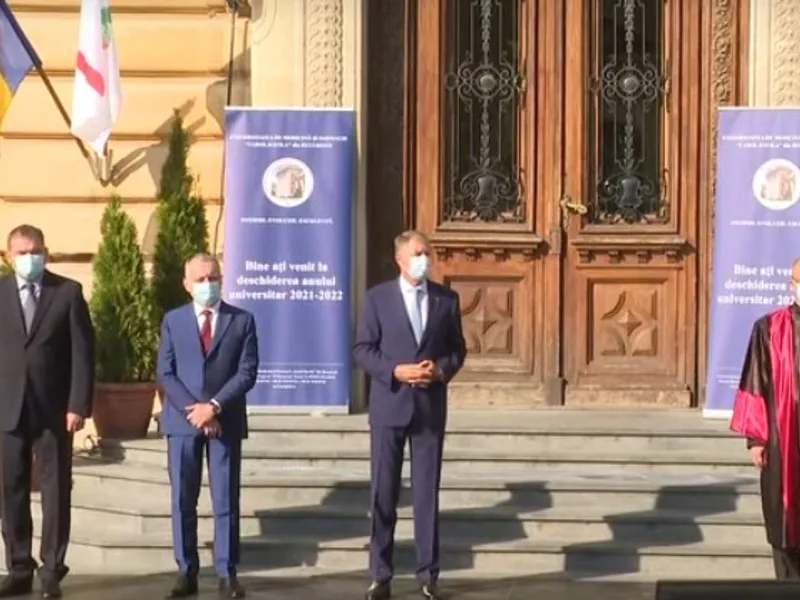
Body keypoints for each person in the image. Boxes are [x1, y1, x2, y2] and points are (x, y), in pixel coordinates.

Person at [353, 230, 466, 600]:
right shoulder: (378, 299)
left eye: (427, 253)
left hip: (429, 409)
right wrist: (395, 371)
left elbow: (456, 350)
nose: (424, 259)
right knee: (383, 493)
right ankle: (380, 574)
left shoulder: (446, 299)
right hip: (390, 406)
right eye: (417, 253)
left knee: (425, 495)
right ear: (400, 259)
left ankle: (427, 574)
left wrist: (440, 370)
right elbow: (363, 349)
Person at [0, 225, 94, 599]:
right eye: (22, 252)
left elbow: (83, 354)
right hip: (7, 408)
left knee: (55, 491)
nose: (29, 257)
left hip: (54, 410)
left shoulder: (67, 293)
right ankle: (19, 567)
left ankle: (52, 569)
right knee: (11, 490)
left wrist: (78, 404)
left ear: (47, 252)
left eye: (35, 250)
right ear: (8, 257)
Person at [157, 254, 258, 599]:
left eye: (212, 277)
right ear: (186, 284)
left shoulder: (242, 320)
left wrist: (213, 407)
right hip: (183, 423)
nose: (206, 284)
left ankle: (227, 572)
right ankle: (186, 570)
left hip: (224, 420)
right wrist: (195, 411)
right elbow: (165, 372)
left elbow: (246, 372)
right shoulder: (172, 320)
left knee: (226, 499)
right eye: (199, 279)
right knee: (183, 499)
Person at [731, 257, 800, 580]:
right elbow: (755, 381)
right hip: (782, 439)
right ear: (792, 284)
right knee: (784, 519)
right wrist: (757, 438)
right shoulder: (769, 328)